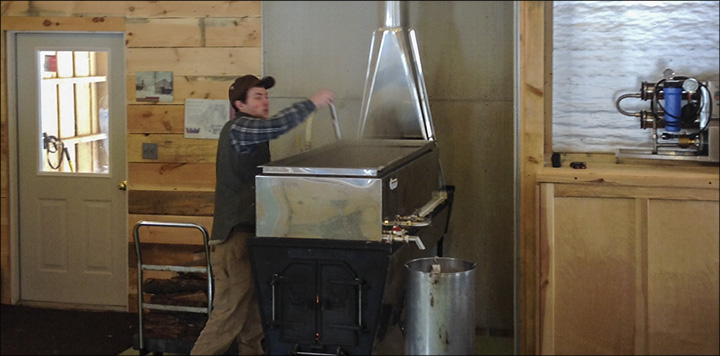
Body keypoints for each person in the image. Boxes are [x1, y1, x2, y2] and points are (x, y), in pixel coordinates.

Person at [191, 75, 334, 355]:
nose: (265, 101)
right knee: (228, 315)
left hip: (252, 237)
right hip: (234, 240)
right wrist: (312, 103)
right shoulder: (240, 128)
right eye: (258, 97)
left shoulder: (250, 129)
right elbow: (277, 126)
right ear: (239, 105)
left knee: (254, 318)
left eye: (266, 96)